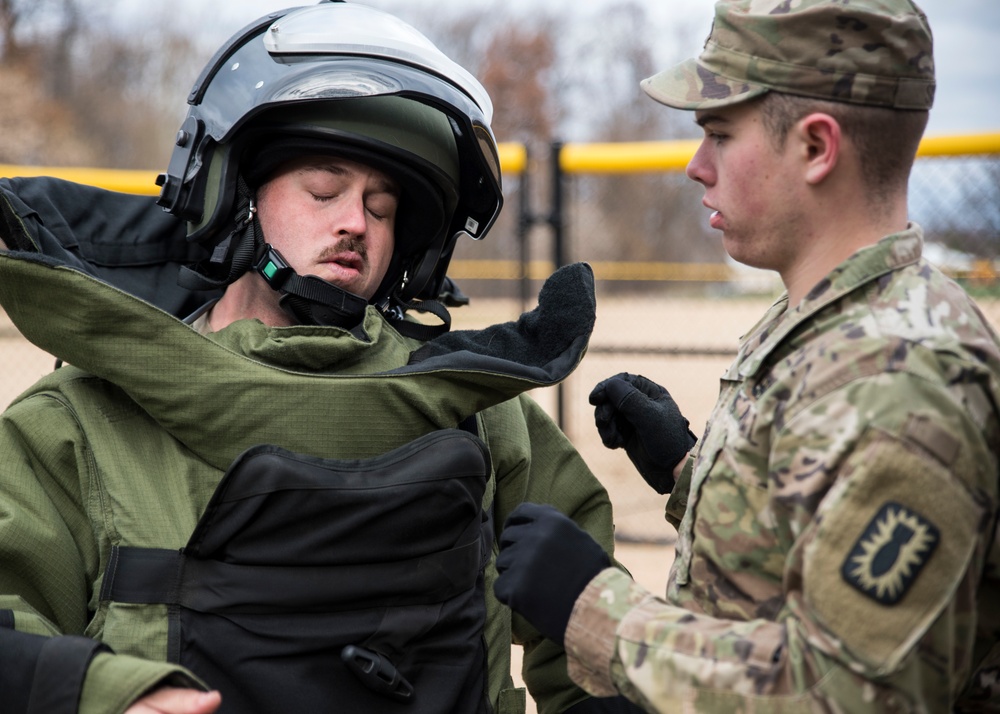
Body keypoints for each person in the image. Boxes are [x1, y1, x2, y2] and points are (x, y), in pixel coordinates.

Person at [0, 3, 642, 713]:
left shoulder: (485, 420)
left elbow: (597, 653)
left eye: (382, 206)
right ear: (238, 199)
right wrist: (103, 692)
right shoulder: (77, 426)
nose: (354, 224)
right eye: (324, 190)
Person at [493, 0, 1000, 711]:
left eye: (720, 135)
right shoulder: (830, 317)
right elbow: (814, 539)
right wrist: (688, 471)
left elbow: (848, 691)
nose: (698, 167)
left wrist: (596, 611)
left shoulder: (905, 375)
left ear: (817, 148)